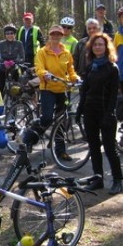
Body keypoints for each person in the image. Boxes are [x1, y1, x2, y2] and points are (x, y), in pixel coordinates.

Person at [76, 34, 123, 194]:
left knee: (110, 148)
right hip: (90, 112)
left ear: (106, 47)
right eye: (95, 45)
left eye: (101, 45)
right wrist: (79, 110)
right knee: (94, 147)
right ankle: (98, 179)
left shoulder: (112, 68)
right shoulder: (90, 66)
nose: (98, 47)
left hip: (105, 112)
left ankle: (118, 180)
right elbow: (85, 91)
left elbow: (113, 95)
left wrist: (109, 114)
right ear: (91, 48)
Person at [24, 25, 80, 160]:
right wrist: (45, 74)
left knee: (62, 119)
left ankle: (60, 151)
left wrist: (76, 78)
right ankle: (29, 139)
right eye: (53, 34)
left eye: (58, 34)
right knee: (47, 118)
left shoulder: (66, 52)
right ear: (49, 36)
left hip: (62, 89)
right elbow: (39, 67)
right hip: (48, 88)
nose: (55, 37)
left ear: (62, 36)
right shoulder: (42, 52)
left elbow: (70, 70)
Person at [0, 23, 25, 94]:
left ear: (15, 34)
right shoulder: (0, 44)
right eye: (7, 33)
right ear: (5, 35)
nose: (9, 35)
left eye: (11, 33)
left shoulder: (19, 44)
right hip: (1, 69)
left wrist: (14, 61)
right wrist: (2, 61)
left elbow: (22, 58)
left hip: (14, 69)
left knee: (17, 91)